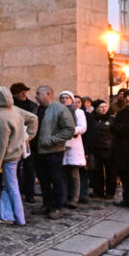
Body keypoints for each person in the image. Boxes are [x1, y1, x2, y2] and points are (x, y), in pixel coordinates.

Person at [0, 87, 38, 225]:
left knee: (12, 186)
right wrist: (27, 137)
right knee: (8, 185)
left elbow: (1, 142)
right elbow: (33, 118)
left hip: (9, 155)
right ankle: (7, 214)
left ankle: (19, 218)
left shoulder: (1, 116)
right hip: (17, 152)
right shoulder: (15, 110)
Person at [32, 85, 75, 219]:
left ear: (48, 94)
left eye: (38, 93)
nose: (36, 96)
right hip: (38, 150)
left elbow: (69, 129)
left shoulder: (60, 109)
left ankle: (57, 207)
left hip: (53, 151)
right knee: (43, 179)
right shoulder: (37, 109)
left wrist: (52, 140)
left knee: (56, 179)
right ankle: (47, 204)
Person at [58, 91, 87, 209]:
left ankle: (74, 198)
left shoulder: (78, 112)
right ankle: (64, 197)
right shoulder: (58, 111)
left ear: (71, 99)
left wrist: (69, 130)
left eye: (67, 97)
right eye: (62, 98)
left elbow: (82, 127)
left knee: (74, 174)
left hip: (74, 145)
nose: (64, 100)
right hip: (61, 144)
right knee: (63, 174)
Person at [11, 83, 38, 203]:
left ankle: (29, 193)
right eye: (19, 92)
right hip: (14, 140)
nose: (22, 94)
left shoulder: (32, 106)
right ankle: (17, 192)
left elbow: (32, 121)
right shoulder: (10, 105)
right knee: (15, 167)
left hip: (28, 141)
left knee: (29, 168)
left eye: (24, 92)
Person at [86, 100, 116, 199]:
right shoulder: (92, 119)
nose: (104, 109)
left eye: (105, 106)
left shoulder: (112, 119)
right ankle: (98, 191)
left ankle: (110, 192)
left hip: (109, 149)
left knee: (110, 173)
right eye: (101, 107)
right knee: (97, 172)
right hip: (96, 149)